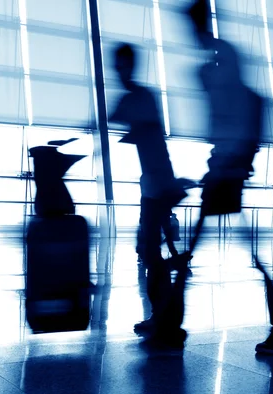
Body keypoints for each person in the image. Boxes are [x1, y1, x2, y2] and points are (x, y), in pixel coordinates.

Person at [177, 0, 273, 354]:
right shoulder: (215, 62)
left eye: (190, 25)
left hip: (228, 167)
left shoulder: (223, 60)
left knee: (209, 246)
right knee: (211, 245)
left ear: (199, 23)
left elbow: (240, 112)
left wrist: (231, 163)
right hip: (223, 164)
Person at [109, 43, 191, 348]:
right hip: (152, 185)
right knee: (151, 253)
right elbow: (120, 119)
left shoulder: (140, 97)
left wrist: (131, 130)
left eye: (123, 65)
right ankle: (162, 315)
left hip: (158, 185)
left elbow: (147, 128)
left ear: (131, 66)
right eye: (117, 66)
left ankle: (164, 318)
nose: (119, 72)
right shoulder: (133, 97)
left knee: (151, 254)